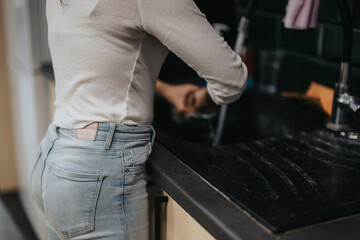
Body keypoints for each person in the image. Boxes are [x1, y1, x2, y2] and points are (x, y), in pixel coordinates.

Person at [30, 0, 248, 239]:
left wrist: (167, 90)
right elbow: (231, 79)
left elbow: (100, 60)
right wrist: (206, 97)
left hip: (55, 161)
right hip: (98, 174)